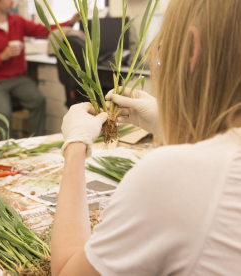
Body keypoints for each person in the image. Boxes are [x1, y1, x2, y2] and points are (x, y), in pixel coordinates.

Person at [52, 0, 241, 275]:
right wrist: (166, 121)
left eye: (163, 54)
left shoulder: (172, 174)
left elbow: (67, 271)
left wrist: (75, 147)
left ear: (193, 48)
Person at [0, 0, 79, 139]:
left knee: (38, 100)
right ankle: (5, 148)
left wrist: (69, 22)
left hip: (18, 79)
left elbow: (42, 30)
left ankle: (35, 142)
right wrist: (1, 56)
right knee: (3, 112)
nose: (12, 2)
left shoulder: (17, 21)